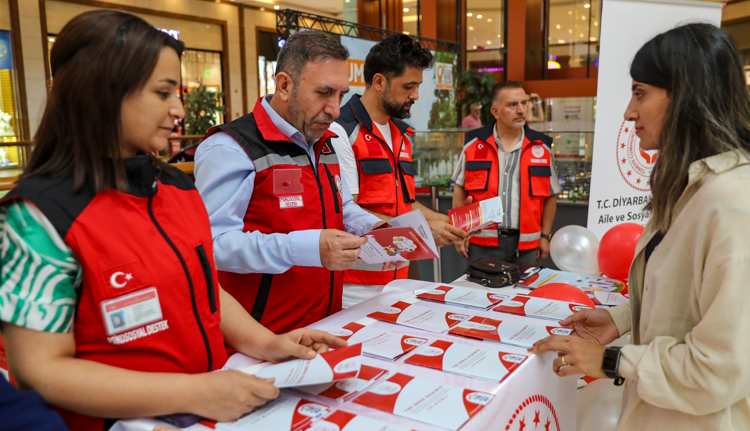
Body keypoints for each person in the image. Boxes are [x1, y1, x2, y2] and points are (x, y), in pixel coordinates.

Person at [0, 10, 345, 431]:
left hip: (209, 409)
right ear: (103, 93)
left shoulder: (175, 189)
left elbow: (204, 287)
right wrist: (197, 392)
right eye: (163, 94)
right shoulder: (35, 217)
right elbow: (41, 370)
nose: (178, 109)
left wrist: (267, 342)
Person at [531, 23, 750, 431]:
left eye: (640, 93)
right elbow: (698, 300)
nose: (629, 112)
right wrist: (624, 318)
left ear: (684, 97)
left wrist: (613, 361)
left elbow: (720, 368)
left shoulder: (741, 208)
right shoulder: (696, 185)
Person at [195, 30, 383, 333]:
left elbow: (341, 205)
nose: (335, 110)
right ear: (284, 85)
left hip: (324, 323)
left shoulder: (325, 139)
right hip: (261, 336)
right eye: (324, 93)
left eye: (341, 95)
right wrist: (306, 248)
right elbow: (213, 245)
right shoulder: (232, 148)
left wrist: (374, 229)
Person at [330, 34, 469, 308]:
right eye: (408, 86)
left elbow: (406, 203)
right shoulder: (340, 131)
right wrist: (424, 231)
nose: (415, 95)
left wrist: (448, 222)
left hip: (399, 275)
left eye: (417, 86)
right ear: (379, 81)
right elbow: (347, 211)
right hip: (356, 284)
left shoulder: (401, 134)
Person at [452, 81, 561, 265]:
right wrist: (459, 234)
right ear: (495, 112)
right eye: (512, 105)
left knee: (523, 293)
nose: (521, 110)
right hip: (481, 243)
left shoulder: (541, 148)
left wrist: (545, 236)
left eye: (523, 103)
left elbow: (550, 196)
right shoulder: (473, 144)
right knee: (480, 293)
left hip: (526, 246)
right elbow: (460, 190)